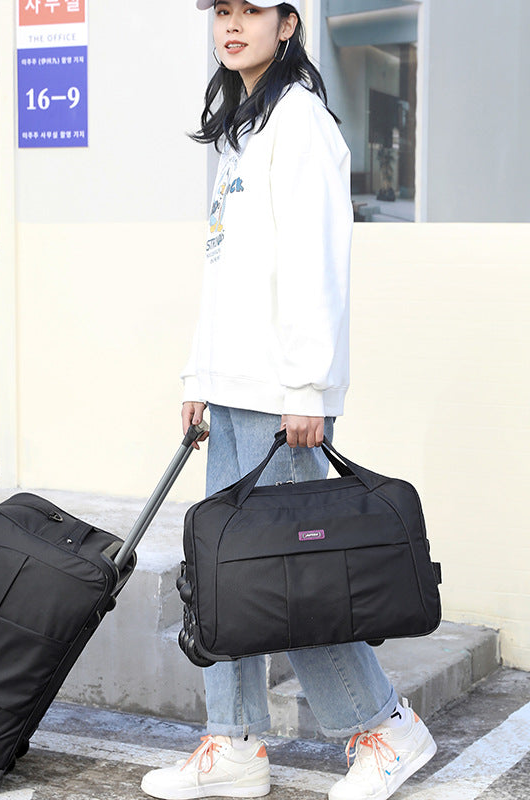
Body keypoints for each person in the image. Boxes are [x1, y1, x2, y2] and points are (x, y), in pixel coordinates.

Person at [140, 2, 437, 799]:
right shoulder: (244, 127)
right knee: (229, 577)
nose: (231, 24)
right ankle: (234, 744)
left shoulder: (301, 121)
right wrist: (198, 380)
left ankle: (386, 728)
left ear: (288, 24)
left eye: (249, 11)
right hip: (234, 392)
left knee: (293, 582)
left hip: (280, 399)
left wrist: (308, 384)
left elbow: (317, 264)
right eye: (221, 12)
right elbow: (225, 272)